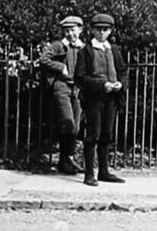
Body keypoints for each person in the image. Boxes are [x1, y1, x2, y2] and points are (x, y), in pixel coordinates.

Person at [74, 13, 127, 186]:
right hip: (94, 98)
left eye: (105, 30)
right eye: (98, 30)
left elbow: (123, 71)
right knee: (93, 134)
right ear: (91, 30)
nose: (102, 33)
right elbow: (80, 78)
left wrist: (120, 83)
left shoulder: (114, 50)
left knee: (107, 134)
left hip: (111, 98)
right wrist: (101, 85)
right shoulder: (86, 51)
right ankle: (89, 174)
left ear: (111, 31)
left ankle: (104, 171)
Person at [39, 15, 85, 174]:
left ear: (80, 30)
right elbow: (43, 60)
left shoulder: (83, 48)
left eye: (72, 30)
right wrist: (60, 67)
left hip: (77, 89)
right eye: (66, 30)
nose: (70, 34)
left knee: (76, 127)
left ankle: (67, 160)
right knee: (68, 122)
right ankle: (66, 160)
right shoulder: (58, 46)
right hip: (62, 87)